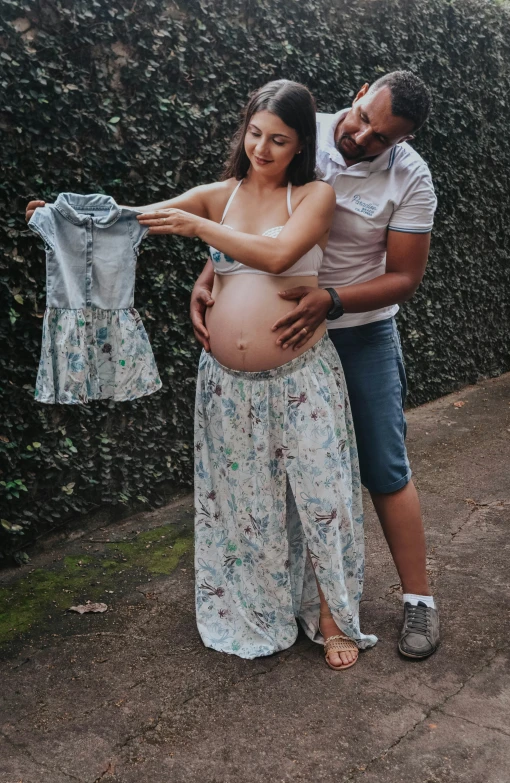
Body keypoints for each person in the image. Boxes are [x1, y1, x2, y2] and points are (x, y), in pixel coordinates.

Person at [26, 79, 377, 669]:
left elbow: (278, 254)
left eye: (279, 140)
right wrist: (62, 215)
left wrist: (201, 231)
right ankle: (260, 611)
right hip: (227, 383)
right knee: (245, 502)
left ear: (299, 146)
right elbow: (137, 218)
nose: (262, 149)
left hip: (302, 379)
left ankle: (333, 616)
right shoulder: (223, 193)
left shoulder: (317, 197)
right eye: (255, 134)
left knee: (323, 497)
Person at [191, 71, 441, 659]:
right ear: (357, 95)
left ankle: (419, 603)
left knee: (384, 465)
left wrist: (331, 302)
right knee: (270, 476)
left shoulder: (411, 180)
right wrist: (211, 274)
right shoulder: (300, 131)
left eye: (380, 137)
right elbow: (242, 207)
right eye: (361, 119)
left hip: (357, 332)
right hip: (282, 335)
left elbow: (404, 277)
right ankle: (289, 598)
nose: (360, 136)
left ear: (401, 141)